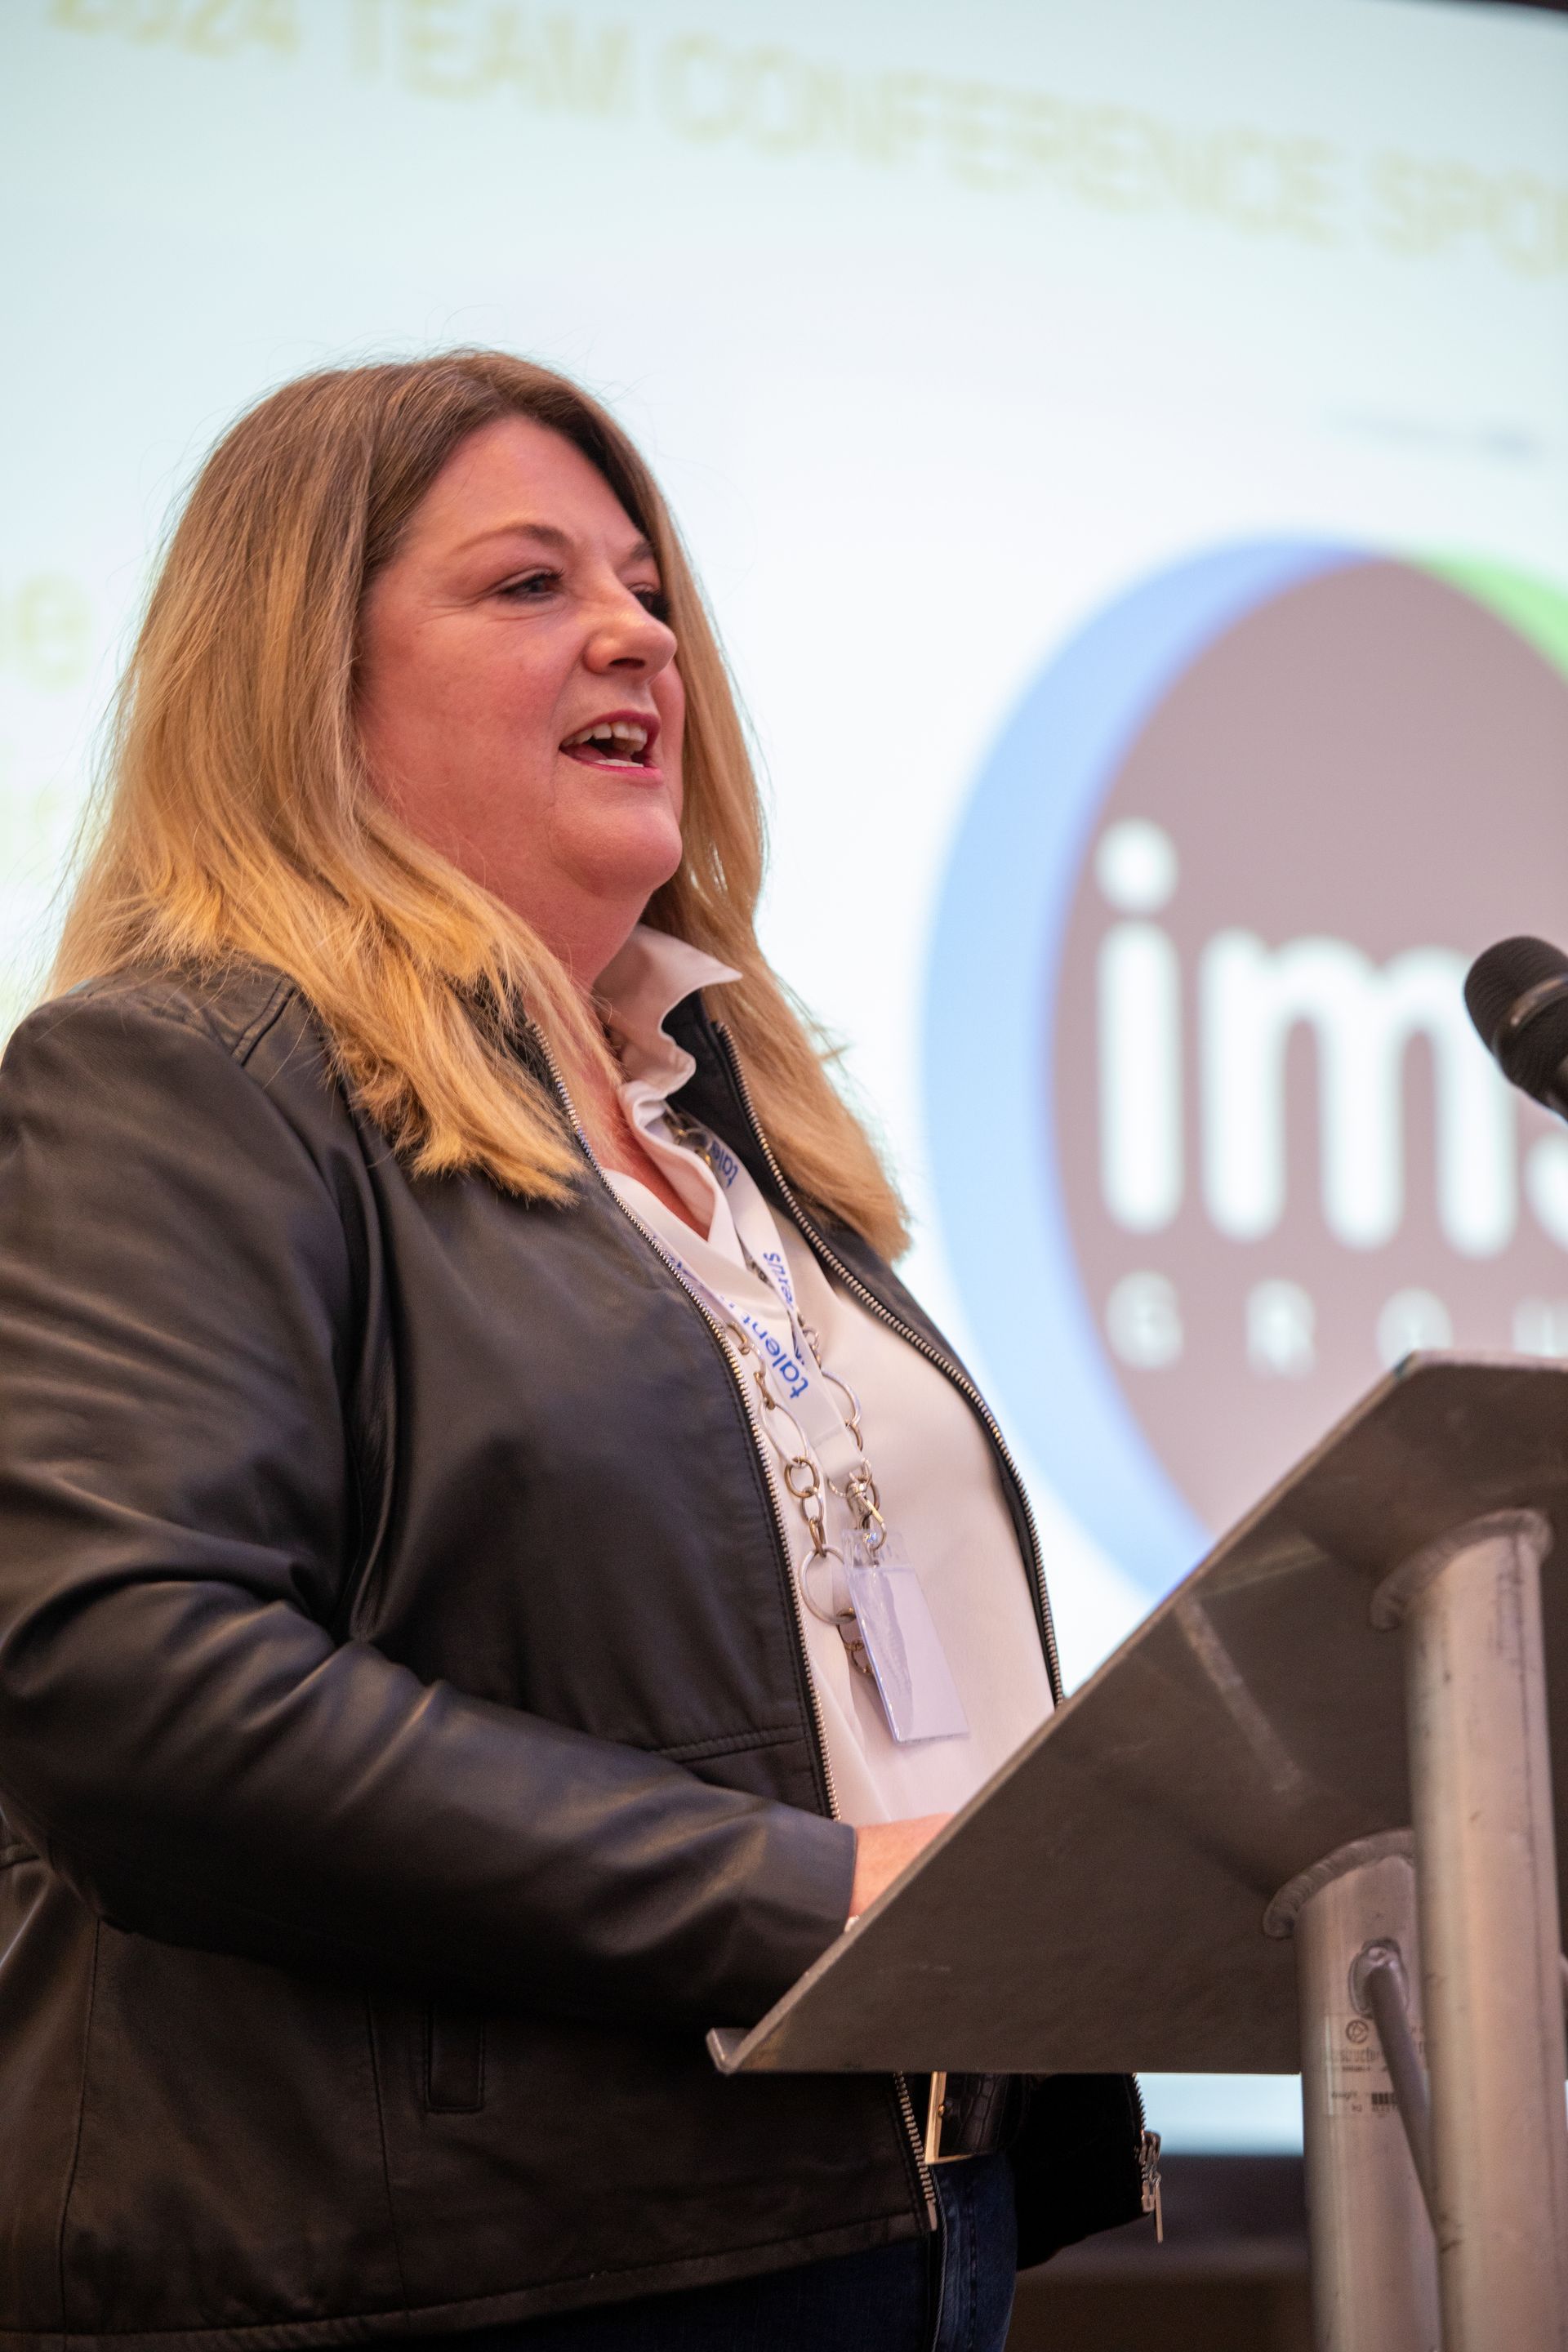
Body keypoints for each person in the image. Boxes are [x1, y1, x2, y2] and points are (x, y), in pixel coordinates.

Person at [0, 353, 1147, 2352]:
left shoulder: (732, 1142)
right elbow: (131, 1687)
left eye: (642, 585)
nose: (636, 627)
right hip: (471, 2271)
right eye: (526, 586)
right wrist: (819, 1892)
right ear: (306, 680)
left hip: (893, 2219)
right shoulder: (181, 1075)